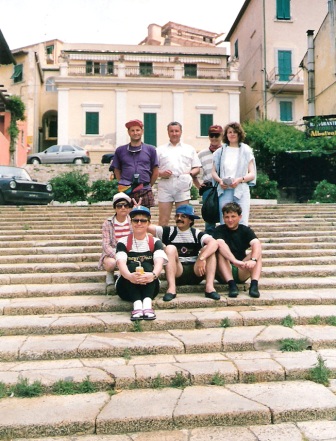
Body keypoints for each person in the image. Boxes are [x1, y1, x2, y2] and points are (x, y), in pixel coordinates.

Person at [148, 204, 219, 302]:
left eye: (183, 216)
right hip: (177, 271)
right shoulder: (168, 231)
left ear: (190, 220)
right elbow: (147, 226)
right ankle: (171, 289)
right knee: (170, 248)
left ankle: (209, 287)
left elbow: (214, 243)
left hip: (196, 270)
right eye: (177, 216)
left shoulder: (196, 233)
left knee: (208, 249)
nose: (179, 218)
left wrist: (202, 258)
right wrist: (137, 212)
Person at [115, 206, 168, 321]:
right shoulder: (123, 242)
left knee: (147, 266)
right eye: (136, 220)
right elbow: (120, 263)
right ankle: (137, 305)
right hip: (125, 287)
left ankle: (147, 305)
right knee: (133, 266)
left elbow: (159, 262)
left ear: (148, 223)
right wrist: (130, 276)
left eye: (143, 220)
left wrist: (152, 275)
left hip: (150, 286)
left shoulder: (155, 242)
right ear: (131, 222)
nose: (139, 223)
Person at [213, 202, 262, 298]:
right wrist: (234, 261)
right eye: (227, 217)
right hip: (224, 270)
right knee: (220, 250)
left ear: (240, 217)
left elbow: (256, 243)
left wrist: (253, 260)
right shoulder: (219, 229)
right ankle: (232, 286)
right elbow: (221, 244)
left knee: (257, 251)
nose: (230, 220)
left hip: (241, 268)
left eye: (233, 216)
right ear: (223, 218)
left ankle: (254, 285)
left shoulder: (245, 230)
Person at [156, 121, 201, 226]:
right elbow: (153, 170)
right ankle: (161, 242)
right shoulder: (159, 150)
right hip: (166, 185)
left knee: (183, 218)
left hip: (183, 184)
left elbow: (197, 168)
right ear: (168, 132)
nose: (174, 133)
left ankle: (183, 241)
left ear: (181, 132)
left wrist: (190, 174)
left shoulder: (189, 149)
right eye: (171, 131)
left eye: (176, 131)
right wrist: (161, 173)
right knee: (163, 220)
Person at [211, 122, 256, 226]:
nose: (232, 134)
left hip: (241, 189)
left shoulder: (246, 150)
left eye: (235, 132)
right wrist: (220, 181)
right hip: (224, 189)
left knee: (242, 221)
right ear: (226, 134)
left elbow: (252, 174)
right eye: (229, 132)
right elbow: (213, 172)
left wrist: (239, 179)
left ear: (239, 134)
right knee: (225, 222)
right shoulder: (219, 152)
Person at [111, 119, 159, 208]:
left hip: (145, 190)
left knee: (145, 218)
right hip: (126, 190)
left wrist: (148, 185)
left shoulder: (151, 150)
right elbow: (116, 169)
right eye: (132, 130)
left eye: (138, 130)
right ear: (128, 132)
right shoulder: (120, 150)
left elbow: (155, 170)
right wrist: (123, 183)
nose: (135, 133)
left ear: (142, 131)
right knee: (127, 217)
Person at [192, 124, 223, 235]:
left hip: (224, 187)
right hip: (209, 188)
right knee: (209, 218)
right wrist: (198, 185)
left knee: (225, 216)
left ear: (221, 136)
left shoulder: (227, 151)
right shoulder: (201, 154)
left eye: (217, 135)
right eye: (212, 135)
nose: (214, 138)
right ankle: (210, 243)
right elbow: (194, 171)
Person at [98, 192, 133, 286]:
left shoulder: (133, 221)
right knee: (111, 263)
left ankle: (124, 275)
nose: (123, 208)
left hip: (129, 250)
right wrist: (117, 256)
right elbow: (106, 245)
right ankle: (110, 272)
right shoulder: (108, 223)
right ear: (115, 208)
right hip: (113, 250)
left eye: (126, 205)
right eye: (119, 205)